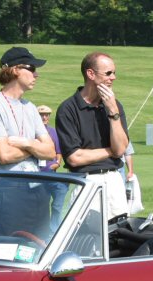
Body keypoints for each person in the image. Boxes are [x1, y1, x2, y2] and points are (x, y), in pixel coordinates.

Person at [56, 51, 130, 222]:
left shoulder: (115, 105)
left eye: (114, 73)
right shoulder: (68, 109)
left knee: (119, 233)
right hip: (85, 182)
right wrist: (110, 151)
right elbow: (75, 158)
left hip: (114, 181)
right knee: (86, 234)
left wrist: (113, 111)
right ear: (90, 74)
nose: (113, 78)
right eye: (108, 73)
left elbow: (120, 149)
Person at [0, 46, 54, 172]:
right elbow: (4, 155)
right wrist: (36, 148)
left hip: (35, 181)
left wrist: (27, 143)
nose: (36, 74)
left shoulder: (30, 107)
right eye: (32, 68)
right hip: (7, 182)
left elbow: (51, 152)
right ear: (15, 70)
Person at [37, 104, 67, 231]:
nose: (44, 117)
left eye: (46, 115)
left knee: (59, 197)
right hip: (37, 174)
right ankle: (41, 230)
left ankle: (54, 229)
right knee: (41, 205)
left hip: (51, 172)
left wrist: (57, 163)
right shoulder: (32, 133)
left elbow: (59, 151)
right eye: (41, 115)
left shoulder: (53, 132)